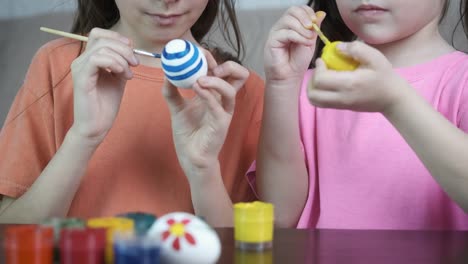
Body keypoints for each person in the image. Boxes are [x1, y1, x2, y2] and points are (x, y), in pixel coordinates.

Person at [0, 0, 264, 226]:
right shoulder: (55, 66)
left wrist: (202, 169)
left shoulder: (241, 91)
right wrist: (83, 137)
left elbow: (251, 251)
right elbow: (9, 235)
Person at [254, 0, 468, 229]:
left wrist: (396, 101)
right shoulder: (311, 85)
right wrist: (281, 86)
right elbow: (279, 216)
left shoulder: (461, 81)